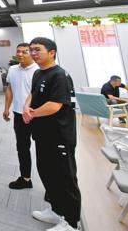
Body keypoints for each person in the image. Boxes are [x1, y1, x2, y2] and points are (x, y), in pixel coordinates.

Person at [23, 37, 81, 231]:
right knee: (47, 173)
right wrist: (26, 106)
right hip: (43, 135)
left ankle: (71, 222)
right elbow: (33, 94)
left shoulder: (60, 76)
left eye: (37, 50)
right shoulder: (38, 73)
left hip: (59, 136)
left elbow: (54, 105)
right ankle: (56, 210)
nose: (33, 53)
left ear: (52, 52)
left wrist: (31, 114)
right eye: (31, 50)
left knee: (65, 178)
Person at [3, 42, 38, 189]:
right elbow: (10, 90)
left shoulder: (38, 70)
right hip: (19, 115)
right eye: (18, 51)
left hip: (38, 116)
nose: (20, 54)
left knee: (44, 150)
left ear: (31, 53)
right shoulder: (12, 69)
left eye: (24, 51)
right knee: (22, 147)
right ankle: (25, 179)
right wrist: (6, 108)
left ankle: (51, 187)